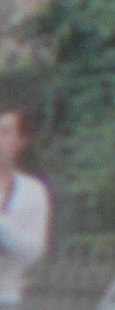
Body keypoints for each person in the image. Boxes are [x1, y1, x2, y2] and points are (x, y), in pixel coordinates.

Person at [0, 108, 48, 310]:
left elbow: (34, 251)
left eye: (4, 132)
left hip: (6, 297)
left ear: (21, 141)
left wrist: (3, 229)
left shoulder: (32, 191)